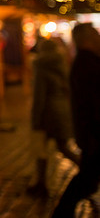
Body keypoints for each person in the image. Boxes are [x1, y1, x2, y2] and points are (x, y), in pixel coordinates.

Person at [52, 23, 100, 217]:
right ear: (87, 39)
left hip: (91, 132)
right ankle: (62, 212)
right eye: (96, 34)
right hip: (93, 133)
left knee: (88, 178)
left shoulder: (87, 62)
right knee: (87, 178)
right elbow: (92, 103)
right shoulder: (87, 63)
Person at [26, 38, 79, 196]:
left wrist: (35, 118)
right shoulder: (61, 64)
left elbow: (39, 96)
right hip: (61, 110)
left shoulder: (41, 66)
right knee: (62, 146)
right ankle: (40, 182)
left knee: (42, 147)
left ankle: (41, 183)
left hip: (48, 113)